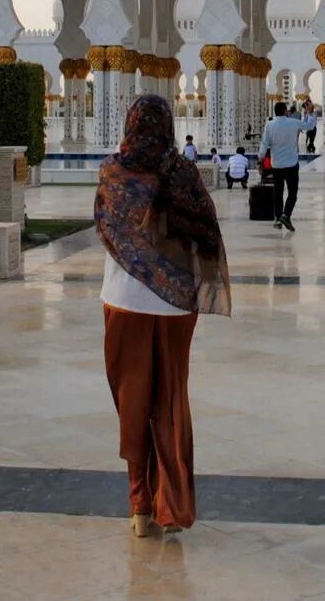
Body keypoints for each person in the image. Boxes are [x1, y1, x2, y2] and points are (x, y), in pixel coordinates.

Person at [95, 95, 232, 538]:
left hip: (123, 302)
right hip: (174, 305)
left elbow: (106, 228)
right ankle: (171, 505)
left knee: (133, 401)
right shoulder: (183, 173)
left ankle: (139, 507)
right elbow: (205, 236)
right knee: (169, 402)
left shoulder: (113, 173)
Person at [259, 101, 318, 231]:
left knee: (278, 193)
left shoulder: (269, 125)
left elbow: (264, 144)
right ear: (285, 111)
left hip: (277, 165)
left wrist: (260, 158)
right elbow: (310, 126)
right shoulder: (293, 122)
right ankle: (286, 215)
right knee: (292, 193)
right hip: (291, 164)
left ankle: (278, 219)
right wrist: (310, 112)